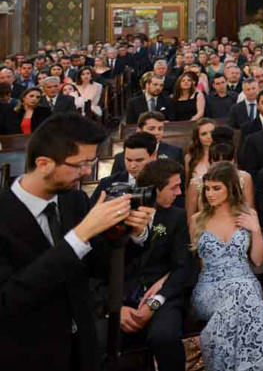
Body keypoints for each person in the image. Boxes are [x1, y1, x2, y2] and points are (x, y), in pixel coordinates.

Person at [0, 113, 152, 371]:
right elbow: (9, 298)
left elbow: (98, 268)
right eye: (80, 164)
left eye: (90, 163)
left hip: (83, 348)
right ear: (44, 163)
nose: (86, 172)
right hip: (27, 354)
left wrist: (130, 235)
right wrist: (79, 236)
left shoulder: (74, 201)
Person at [189, 161, 263, 371]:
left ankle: (209, 342)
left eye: (216, 188)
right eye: (207, 188)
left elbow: (259, 260)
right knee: (245, 303)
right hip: (210, 288)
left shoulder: (248, 215)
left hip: (245, 282)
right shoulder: (197, 220)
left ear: (231, 188)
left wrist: (256, 231)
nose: (210, 194)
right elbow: (195, 262)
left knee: (242, 294)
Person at [118, 158, 192, 371]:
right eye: (174, 187)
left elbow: (183, 266)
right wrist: (117, 307)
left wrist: (155, 302)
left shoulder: (175, 218)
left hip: (164, 298)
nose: (179, 193)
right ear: (155, 189)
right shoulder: (121, 213)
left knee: (164, 336)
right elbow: (103, 269)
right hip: (123, 299)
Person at [185, 141, 254, 221]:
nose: (222, 165)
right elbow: (190, 216)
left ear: (233, 161)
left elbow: (249, 208)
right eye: (217, 161)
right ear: (210, 161)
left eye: (226, 160)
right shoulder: (196, 183)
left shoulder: (244, 178)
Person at [93, 131, 159, 203]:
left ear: (153, 156)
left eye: (139, 160)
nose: (132, 166)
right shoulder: (107, 183)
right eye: (129, 160)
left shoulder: (165, 182)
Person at [112, 111, 184, 173]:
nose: (157, 132)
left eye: (160, 129)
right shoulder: (120, 158)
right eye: (151, 129)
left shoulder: (175, 153)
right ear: (139, 130)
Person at [183, 118, 217, 184]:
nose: (209, 136)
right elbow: (187, 184)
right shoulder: (190, 157)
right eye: (204, 134)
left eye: (212, 132)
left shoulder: (225, 153)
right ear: (197, 137)